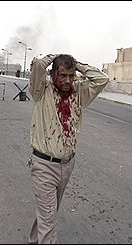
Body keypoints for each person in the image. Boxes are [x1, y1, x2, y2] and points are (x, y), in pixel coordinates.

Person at [27, 54, 109, 244]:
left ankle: (33, 240)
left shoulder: (79, 93)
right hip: (43, 166)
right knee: (48, 218)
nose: (67, 81)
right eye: (62, 75)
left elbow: (102, 79)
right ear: (53, 74)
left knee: (48, 211)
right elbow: (39, 65)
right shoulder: (41, 91)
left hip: (67, 165)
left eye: (71, 76)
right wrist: (54, 56)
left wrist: (77, 64)